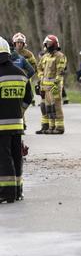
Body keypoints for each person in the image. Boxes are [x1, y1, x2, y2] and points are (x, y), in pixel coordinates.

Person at [0, 36, 33, 203]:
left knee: (3, 158)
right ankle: (18, 190)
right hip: (18, 124)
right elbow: (29, 97)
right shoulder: (21, 73)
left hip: (1, 126)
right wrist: (19, 111)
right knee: (16, 156)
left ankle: (7, 193)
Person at [36, 35, 67, 134]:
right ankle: (51, 127)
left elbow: (60, 72)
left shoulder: (60, 56)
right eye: (46, 43)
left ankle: (59, 128)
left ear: (54, 44)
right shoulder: (45, 56)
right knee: (48, 108)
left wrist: (56, 83)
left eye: (49, 43)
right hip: (45, 87)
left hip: (55, 87)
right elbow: (39, 68)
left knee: (56, 107)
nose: (47, 45)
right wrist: (41, 78)